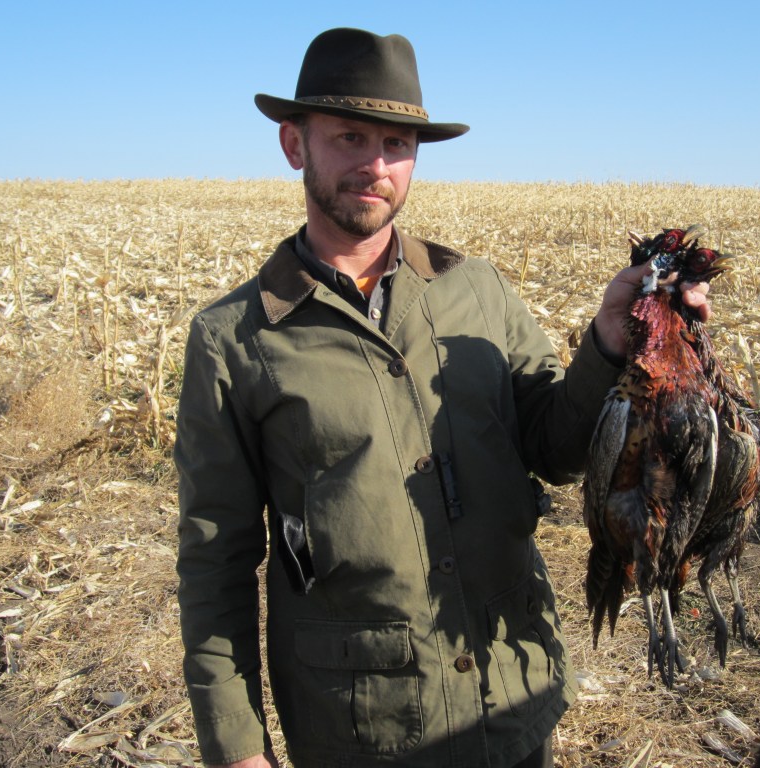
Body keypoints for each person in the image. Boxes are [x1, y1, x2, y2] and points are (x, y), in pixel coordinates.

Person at [174, 27, 712, 768]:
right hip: (365, 728)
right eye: (350, 136)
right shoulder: (233, 340)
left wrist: (612, 342)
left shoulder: (476, 290)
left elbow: (554, 448)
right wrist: (236, 746)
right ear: (294, 145)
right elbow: (216, 559)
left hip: (511, 693)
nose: (376, 164)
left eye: (398, 143)